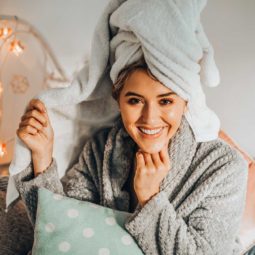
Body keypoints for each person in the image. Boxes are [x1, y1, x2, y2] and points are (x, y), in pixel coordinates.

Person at [13, 60, 248, 254]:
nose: (150, 118)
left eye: (165, 101)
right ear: (119, 101)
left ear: (186, 102)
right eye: (135, 100)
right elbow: (61, 229)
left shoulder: (224, 166)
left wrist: (150, 199)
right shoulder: (102, 148)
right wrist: (42, 156)